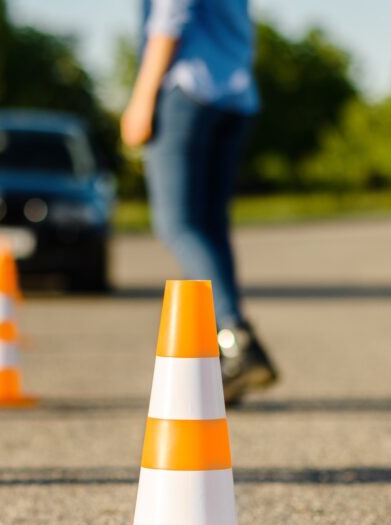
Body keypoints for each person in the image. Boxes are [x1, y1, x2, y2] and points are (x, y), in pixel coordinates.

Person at [121, 0, 277, 403]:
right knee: (209, 225)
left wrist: (142, 97)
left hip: (188, 91)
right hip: (235, 94)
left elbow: (170, 15)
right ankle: (230, 354)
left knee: (176, 224)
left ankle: (236, 338)